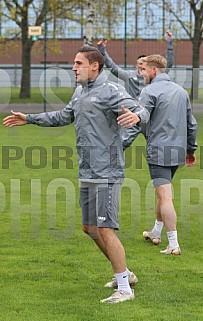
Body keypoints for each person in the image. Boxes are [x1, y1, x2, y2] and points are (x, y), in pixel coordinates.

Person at [3, 45, 150, 303]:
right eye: (74, 63)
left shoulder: (111, 90)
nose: (73, 67)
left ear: (95, 65)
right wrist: (30, 118)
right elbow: (64, 116)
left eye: (78, 63)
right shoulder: (81, 91)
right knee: (89, 228)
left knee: (105, 229)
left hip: (107, 172)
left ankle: (125, 289)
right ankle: (124, 273)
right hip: (87, 170)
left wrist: (136, 117)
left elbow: (142, 110)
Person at [123, 54, 197, 255]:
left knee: (165, 197)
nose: (142, 74)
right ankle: (156, 232)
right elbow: (192, 124)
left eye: (144, 70)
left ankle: (173, 244)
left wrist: (121, 145)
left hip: (159, 151)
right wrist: (191, 150)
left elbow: (141, 119)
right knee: (163, 193)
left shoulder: (149, 91)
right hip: (178, 151)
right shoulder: (181, 91)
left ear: (154, 70)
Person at [97, 31, 174, 99]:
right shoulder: (129, 75)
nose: (141, 66)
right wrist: (103, 51)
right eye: (139, 63)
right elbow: (113, 68)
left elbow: (169, 64)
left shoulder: (154, 75)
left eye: (144, 63)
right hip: (133, 111)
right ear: (136, 65)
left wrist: (170, 45)